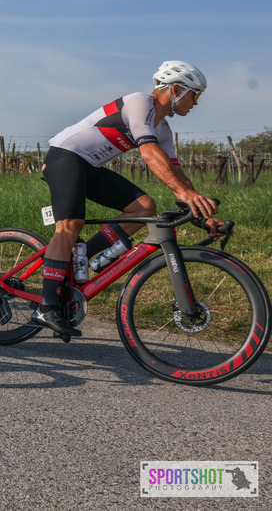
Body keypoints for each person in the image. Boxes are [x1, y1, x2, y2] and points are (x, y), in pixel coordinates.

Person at [35, 60, 222, 337]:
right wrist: (184, 193)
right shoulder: (139, 103)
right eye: (195, 95)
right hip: (65, 156)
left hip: (90, 167)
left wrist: (202, 211)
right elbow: (148, 154)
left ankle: (84, 256)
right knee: (71, 225)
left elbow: (176, 173)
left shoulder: (164, 129)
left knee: (145, 207)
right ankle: (46, 306)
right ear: (177, 89)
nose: (196, 102)